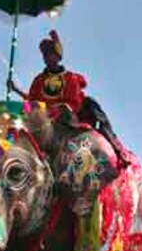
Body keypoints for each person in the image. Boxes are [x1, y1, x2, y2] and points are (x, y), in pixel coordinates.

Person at [12, 30, 129, 165]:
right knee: (20, 128)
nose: (46, 58)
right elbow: (32, 102)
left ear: (57, 56)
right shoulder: (39, 80)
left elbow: (74, 104)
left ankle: (116, 149)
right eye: (44, 55)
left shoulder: (70, 78)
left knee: (75, 112)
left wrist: (55, 109)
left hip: (66, 118)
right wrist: (16, 90)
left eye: (49, 54)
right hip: (44, 119)